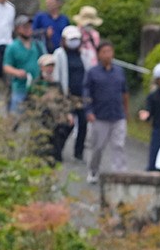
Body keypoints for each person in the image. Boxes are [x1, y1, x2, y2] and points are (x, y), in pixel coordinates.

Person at [82, 40, 129, 184]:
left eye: (110, 51)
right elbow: (86, 93)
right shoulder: (92, 72)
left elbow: (125, 92)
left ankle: (119, 174)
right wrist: (88, 111)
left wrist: (126, 112)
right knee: (97, 147)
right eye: (104, 52)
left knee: (118, 145)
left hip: (117, 115)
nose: (108, 55)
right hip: (99, 115)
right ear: (98, 54)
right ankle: (93, 170)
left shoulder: (119, 71)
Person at [25, 54, 76, 165]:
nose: (50, 68)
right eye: (48, 66)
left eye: (52, 66)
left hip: (56, 121)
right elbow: (29, 103)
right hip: (40, 121)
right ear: (41, 67)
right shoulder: (36, 84)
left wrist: (68, 114)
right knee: (38, 151)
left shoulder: (56, 84)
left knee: (55, 151)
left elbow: (63, 101)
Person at [52, 25, 89, 161]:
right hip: (66, 95)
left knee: (83, 123)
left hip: (81, 96)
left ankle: (78, 152)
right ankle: (58, 149)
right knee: (66, 124)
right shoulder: (59, 54)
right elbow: (57, 75)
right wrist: (60, 94)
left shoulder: (83, 54)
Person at [2, 15, 44, 113]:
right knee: (15, 116)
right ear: (18, 29)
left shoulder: (38, 45)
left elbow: (45, 60)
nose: (28, 29)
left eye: (29, 26)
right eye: (25, 27)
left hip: (37, 88)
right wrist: (17, 72)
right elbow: (6, 66)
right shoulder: (12, 47)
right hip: (20, 87)